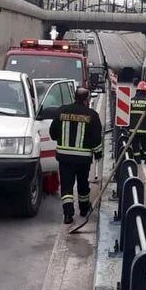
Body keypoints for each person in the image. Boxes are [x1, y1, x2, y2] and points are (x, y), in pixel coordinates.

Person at [50, 87, 103, 224]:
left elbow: (53, 132)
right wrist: (98, 153)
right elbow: (96, 138)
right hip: (83, 159)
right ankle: (84, 209)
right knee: (83, 184)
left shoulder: (61, 111)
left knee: (66, 186)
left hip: (64, 158)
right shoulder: (92, 115)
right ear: (87, 99)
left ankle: (68, 215)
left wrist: (61, 140)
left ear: (74, 97)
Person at [129, 81, 146, 162]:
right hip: (144, 129)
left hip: (133, 129)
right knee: (145, 144)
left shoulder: (131, 100)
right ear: (145, 91)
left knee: (135, 145)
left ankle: (137, 160)